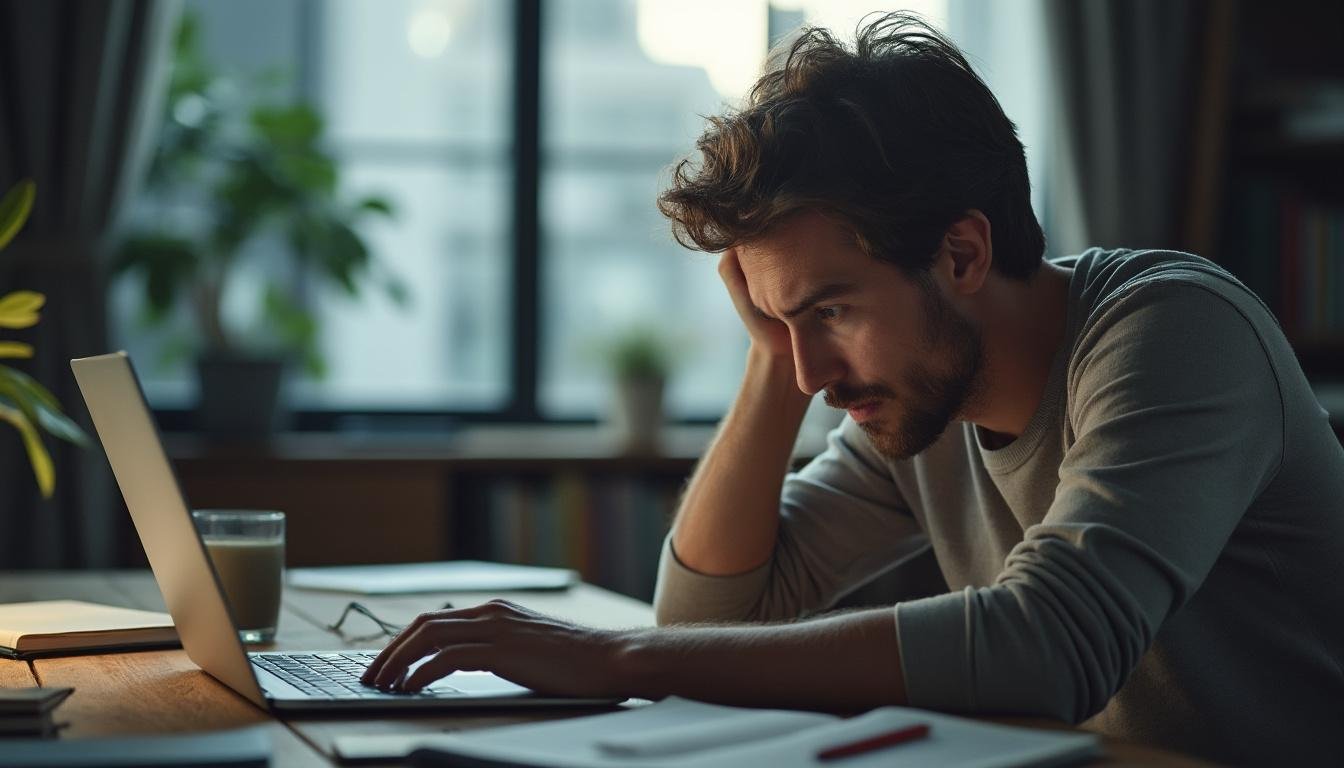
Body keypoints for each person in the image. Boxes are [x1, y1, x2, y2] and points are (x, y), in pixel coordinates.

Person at [362, 13, 1344, 765]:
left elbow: (1053, 643)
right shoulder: (925, 400)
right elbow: (708, 626)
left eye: (831, 310)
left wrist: (610, 659)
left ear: (962, 251)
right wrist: (774, 357)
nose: (813, 374)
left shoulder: (1174, 330)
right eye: (780, 323)